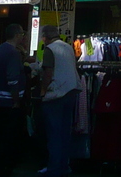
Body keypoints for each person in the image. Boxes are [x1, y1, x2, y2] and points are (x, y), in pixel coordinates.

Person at [0, 23, 27, 177]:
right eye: (22, 33)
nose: (23, 36)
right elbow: (13, 79)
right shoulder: (13, 53)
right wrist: (16, 100)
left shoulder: (0, 49)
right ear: (17, 35)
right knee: (8, 135)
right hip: (8, 100)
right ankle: (3, 166)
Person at [40, 25, 81, 177]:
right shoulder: (68, 47)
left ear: (45, 37)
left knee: (54, 134)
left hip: (56, 93)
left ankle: (54, 169)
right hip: (71, 91)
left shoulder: (50, 49)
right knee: (65, 133)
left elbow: (48, 72)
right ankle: (64, 166)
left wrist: (43, 91)